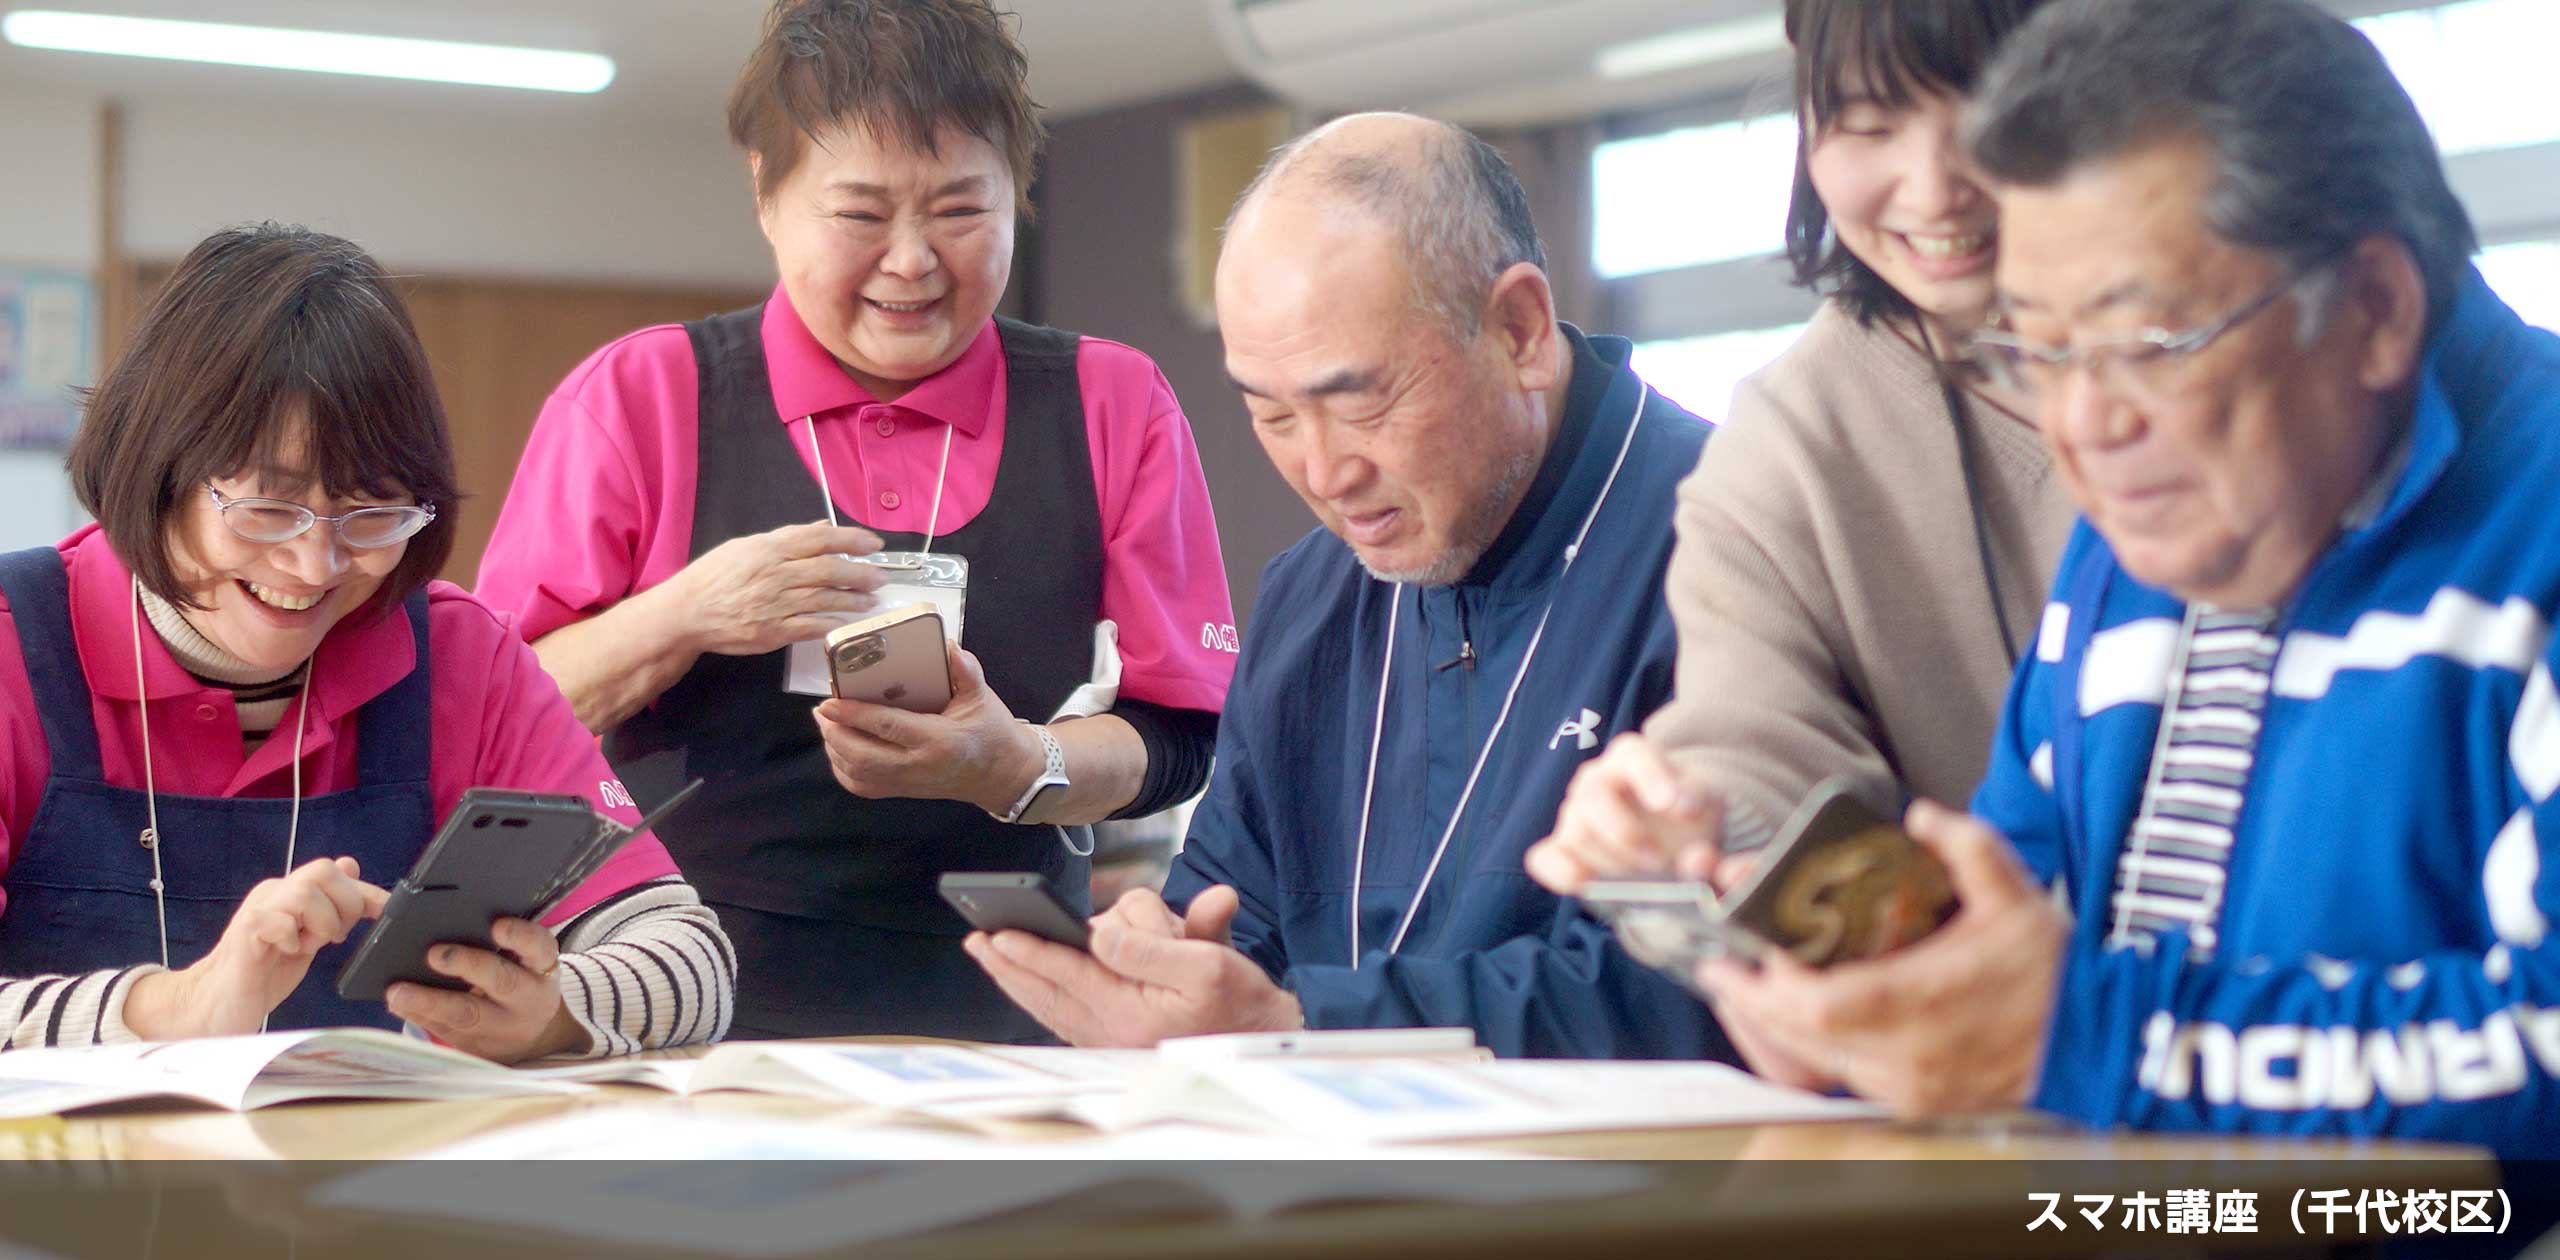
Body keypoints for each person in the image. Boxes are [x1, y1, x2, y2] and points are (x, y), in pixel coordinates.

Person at [1699, 0, 2560, 1156]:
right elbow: (2014, 936)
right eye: (2039, 349)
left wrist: (2085, 1040)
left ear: (2373, 309)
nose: (2083, 424)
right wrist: (1863, 1006)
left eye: (2148, 343)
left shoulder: (2528, 532)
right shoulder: (2138, 548)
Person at [475, 0, 1235, 1041]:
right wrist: (683, 612)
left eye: (962, 211)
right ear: (766, 195)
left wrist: (1014, 764)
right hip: (683, 1009)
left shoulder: (1112, 402)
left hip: (1012, 1019)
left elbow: (1179, 733)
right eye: (863, 215)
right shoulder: (640, 397)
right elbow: (487, 722)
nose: (914, 261)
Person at [965, 113, 1734, 1060]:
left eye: (1360, 402)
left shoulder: (1737, 543)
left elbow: (1712, 983)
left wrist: (1300, 1025)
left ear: (1520, 330)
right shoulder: (1310, 600)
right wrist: (1162, 960)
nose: (1325, 474)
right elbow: (1230, 907)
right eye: (1272, 414)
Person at [0, 224, 733, 1058]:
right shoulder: (16, 650)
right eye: (268, 509)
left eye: (369, 513)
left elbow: (693, 962)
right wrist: (172, 1010)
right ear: (156, 468)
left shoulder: (462, 658)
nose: (316, 564)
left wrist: (554, 1010)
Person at [1527, 0, 2068, 957]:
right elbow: (1755, 746)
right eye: (1866, 122)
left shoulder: (2289, 371)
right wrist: (1685, 832)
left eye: (1994, 110)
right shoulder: (1787, 441)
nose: (1935, 189)